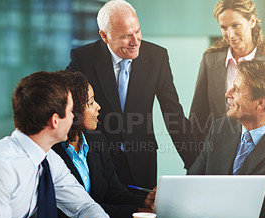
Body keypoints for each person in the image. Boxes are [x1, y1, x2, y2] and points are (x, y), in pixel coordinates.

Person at [0, 71, 115, 218]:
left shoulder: (47, 159)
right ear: (56, 120)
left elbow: (83, 205)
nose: (74, 118)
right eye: (71, 112)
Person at [66, 0, 198, 189]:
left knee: (144, 212)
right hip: (99, 157)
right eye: (127, 36)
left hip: (142, 158)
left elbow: (173, 112)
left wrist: (194, 164)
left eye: (137, 31)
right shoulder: (83, 58)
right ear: (104, 36)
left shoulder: (157, 57)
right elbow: (64, 100)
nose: (136, 42)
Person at [52, 72, 155, 218]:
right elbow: (81, 207)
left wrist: (146, 200)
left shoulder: (96, 140)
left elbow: (114, 192)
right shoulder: (51, 151)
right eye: (90, 102)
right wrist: (142, 211)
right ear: (70, 110)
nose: (98, 107)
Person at [188, 60, 265, 218]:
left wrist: (211, 195)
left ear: (261, 103)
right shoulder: (220, 129)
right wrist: (165, 195)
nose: (227, 94)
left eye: (237, 90)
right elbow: (192, 181)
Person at [190, 0, 265, 144]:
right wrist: (193, 161)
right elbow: (198, 114)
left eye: (235, 25)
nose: (230, 34)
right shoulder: (210, 61)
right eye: (224, 27)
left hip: (254, 154)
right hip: (214, 151)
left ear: (252, 21)